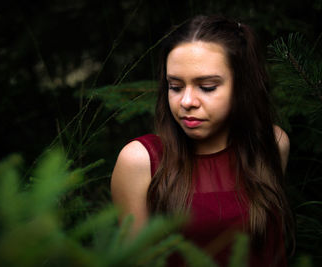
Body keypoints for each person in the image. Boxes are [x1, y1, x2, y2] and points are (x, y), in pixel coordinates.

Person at [110, 15, 295, 266]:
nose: (187, 101)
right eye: (175, 86)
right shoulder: (141, 160)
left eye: (206, 87)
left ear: (242, 87)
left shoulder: (273, 143)